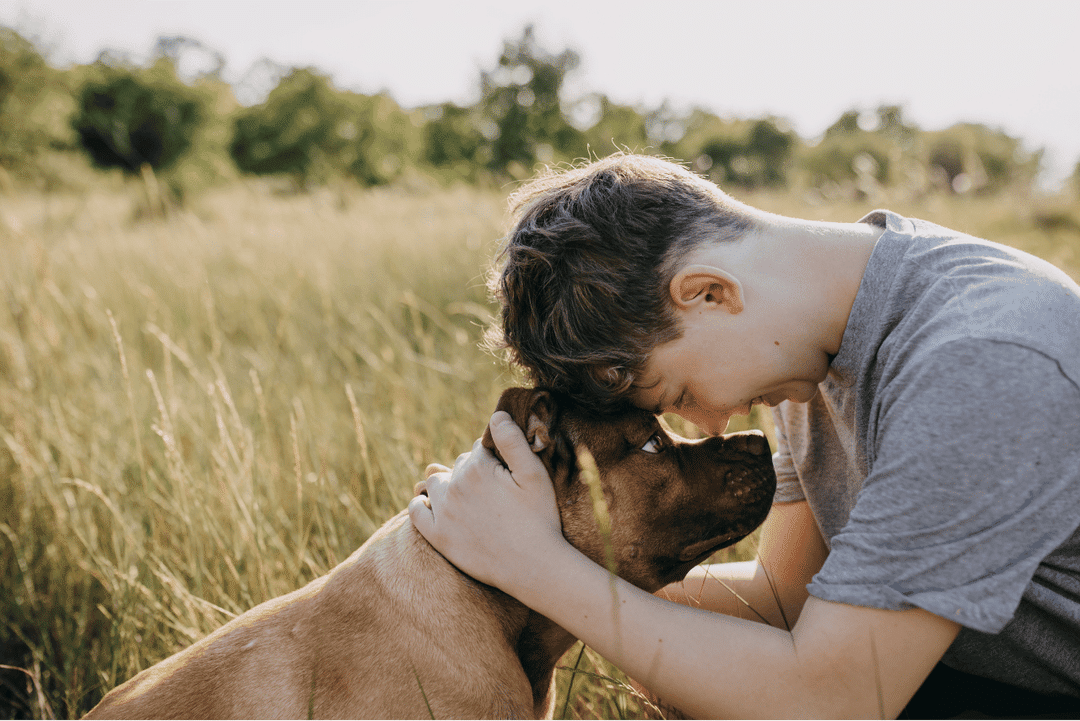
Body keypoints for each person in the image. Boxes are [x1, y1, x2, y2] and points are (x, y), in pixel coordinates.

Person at [409, 153, 1080, 719]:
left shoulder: (983, 360)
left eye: (680, 395)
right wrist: (493, 553)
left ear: (708, 292)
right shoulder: (816, 345)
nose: (711, 422)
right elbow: (785, 603)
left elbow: (833, 701)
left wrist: (536, 566)